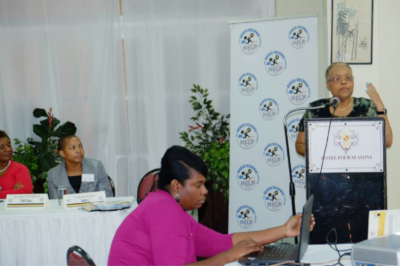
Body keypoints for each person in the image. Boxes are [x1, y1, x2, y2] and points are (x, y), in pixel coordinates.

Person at [108, 146, 315, 266]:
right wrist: (230, 256)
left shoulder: (169, 207)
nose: (205, 191)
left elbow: (223, 242)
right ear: (176, 186)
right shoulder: (163, 210)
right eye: (198, 185)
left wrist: (284, 230)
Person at [295, 62, 393, 156]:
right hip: (325, 171)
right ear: (328, 85)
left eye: (348, 78)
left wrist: (380, 107)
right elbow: (300, 145)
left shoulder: (366, 107)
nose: (343, 81)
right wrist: (324, 155)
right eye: (337, 78)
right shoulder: (316, 109)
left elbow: (387, 141)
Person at [47, 135, 113, 199]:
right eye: (73, 148)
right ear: (62, 153)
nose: (79, 151)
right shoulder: (53, 175)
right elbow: (55, 204)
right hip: (67, 210)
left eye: (80, 146)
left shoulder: (96, 167)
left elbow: (107, 198)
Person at [0, 130, 33, 199]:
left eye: (9, 145)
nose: (8, 149)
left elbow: (24, 192)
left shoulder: (20, 169)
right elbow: (17, 195)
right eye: (2, 147)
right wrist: (12, 192)